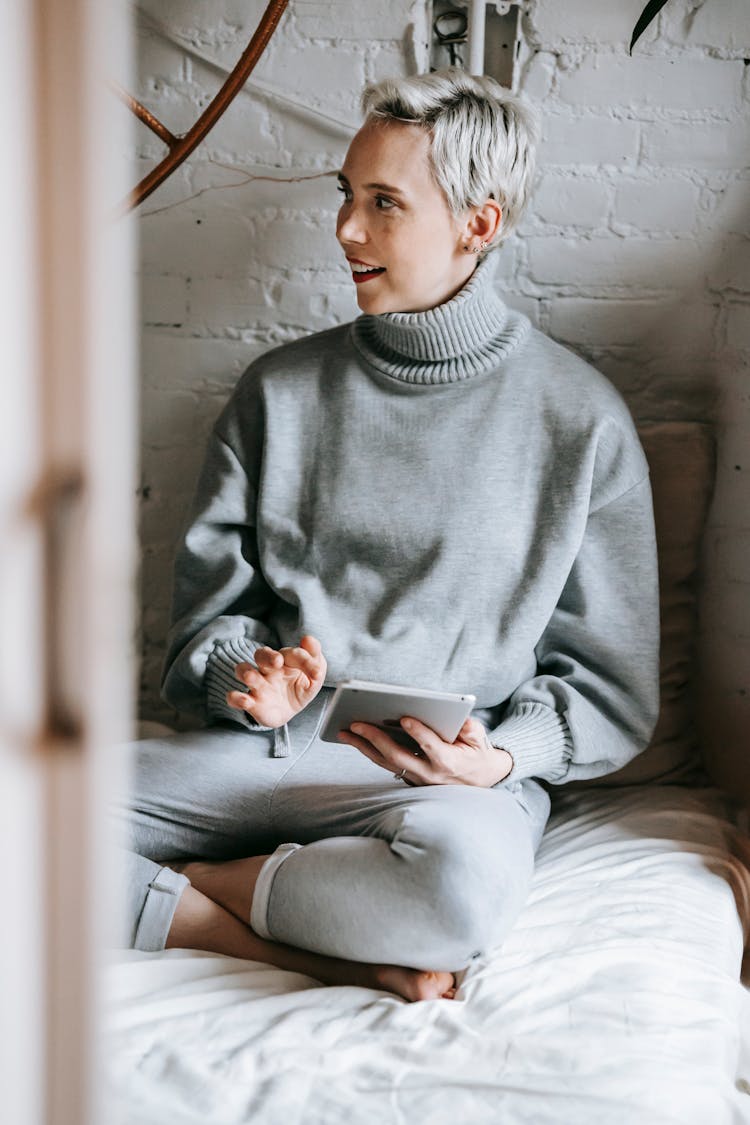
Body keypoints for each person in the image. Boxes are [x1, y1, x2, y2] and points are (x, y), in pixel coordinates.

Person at [119, 69, 659, 1003]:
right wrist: (248, 680)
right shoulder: (278, 393)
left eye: (383, 204)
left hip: (454, 786)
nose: (346, 230)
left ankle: (208, 894)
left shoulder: (583, 423)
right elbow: (201, 633)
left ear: (477, 225)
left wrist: (500, 757)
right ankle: (302, 948)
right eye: (345, 195)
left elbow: (610, 688)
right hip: (264, 759)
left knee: (458, 895)